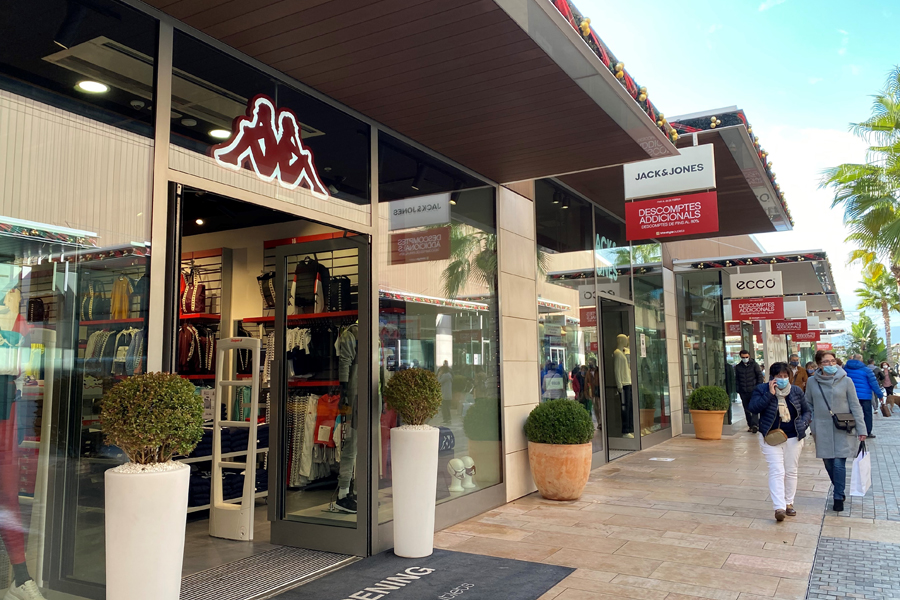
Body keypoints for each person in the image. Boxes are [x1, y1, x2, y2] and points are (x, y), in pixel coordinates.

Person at [749, 362, 812, 522]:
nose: (783, 379)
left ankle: (789, 502)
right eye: (779, 376)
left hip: (793, 436)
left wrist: (804, 424)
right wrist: (770, 394)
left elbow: (806, 411)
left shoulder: (796, 391)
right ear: (772, 377)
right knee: (777, 471)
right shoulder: (761, 389)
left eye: (785, 376)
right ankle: (779, 507)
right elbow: (753, 408)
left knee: (791, 470)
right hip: (771, 436)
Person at [806, 352, 867, 512]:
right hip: (822, 428)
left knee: (839, 463)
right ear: (819, 365)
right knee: (828, 462)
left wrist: (862, 429)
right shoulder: (812, 382)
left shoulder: (846, 381)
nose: (831, 364)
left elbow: (855, 406)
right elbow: (808, 403)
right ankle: (838, 487)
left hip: (844, 427)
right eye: (826, 362)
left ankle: (838, 496)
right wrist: (812, 422)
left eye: (833, 361)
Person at [844, 354, 882, 439]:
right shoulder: (866, 370)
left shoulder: (845, 369)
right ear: (861, 360)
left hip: (850, 395)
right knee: (867, 414)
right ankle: (867, 432)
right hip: (865, 396)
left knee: (851, 413)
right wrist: (880, 395)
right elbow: (874, 383)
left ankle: (851, 429)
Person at [734, 349, 765, 433]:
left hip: (753, 390)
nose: (745, 358)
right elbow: (737, 379)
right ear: (740, 357)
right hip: (743, 391)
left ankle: (755, 424)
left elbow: (759, 376)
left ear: (749, 356)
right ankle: (750, 425)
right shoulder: (738, 367)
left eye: (746, 357)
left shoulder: (754, 365)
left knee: (754, 407)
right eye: (743, 357)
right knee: (746, 409)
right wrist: (738, 389)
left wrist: (758, 387)